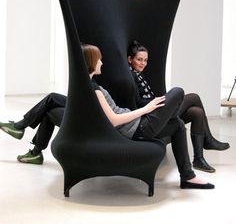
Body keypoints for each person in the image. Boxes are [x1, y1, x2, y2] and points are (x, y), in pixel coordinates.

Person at [1, 43, 214, 189]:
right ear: (92, 62)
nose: (103, 62)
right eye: (100, 59)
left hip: (136, 121)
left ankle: (187, 176)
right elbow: (113, 120)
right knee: (178, 91)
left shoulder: (87, 87)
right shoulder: (93, 90)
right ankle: (23, 131)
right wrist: (146, 109)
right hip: (137, 127)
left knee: (177, 124)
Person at [127, 40, 230, 174]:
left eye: (145, 60)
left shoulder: (137, 74)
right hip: (152, 118)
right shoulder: (130, 77)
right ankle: (208, 140)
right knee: (194, 97)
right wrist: (157, 102)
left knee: (196, 112)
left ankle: (198, 159)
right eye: (139, 59)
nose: (143, 63)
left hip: (156, 112)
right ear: (130, 59)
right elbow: (137, 103)